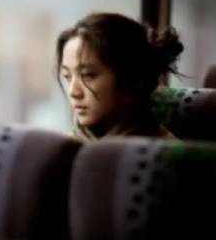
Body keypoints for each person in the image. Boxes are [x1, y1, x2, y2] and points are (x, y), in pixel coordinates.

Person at [56, 12, 183, 142]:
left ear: (131, 78)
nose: (73, 92)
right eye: (68, 77)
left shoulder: (165, 152)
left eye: (87, 75)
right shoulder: (60, 148)